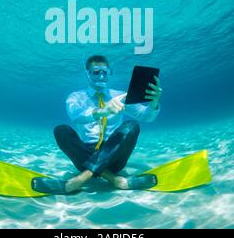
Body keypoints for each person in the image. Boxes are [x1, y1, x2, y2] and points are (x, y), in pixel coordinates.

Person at [32, 55, 162, 195]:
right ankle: (115, 180)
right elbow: (75, 116)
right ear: (87, 73)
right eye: (96, 72)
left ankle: (80, 179)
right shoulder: (76, 97)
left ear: (109, 73)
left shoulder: (120, 96)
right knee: (61, 130)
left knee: (132, 125)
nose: (101, 76)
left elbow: (145, 117)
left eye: (105, 72)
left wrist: (154, 103)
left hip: (114, 158)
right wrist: (102, 111)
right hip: (83, 156)